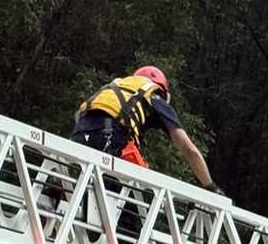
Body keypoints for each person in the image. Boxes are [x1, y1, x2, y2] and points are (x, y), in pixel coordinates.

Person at [71, 66, 225, 196]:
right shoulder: (153, 96)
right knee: (125, 208)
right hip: (109, 137)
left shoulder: (114, 88)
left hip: (78, 135)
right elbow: (188, 148)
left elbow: (79, 115)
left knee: (80, 192)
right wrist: (210, 186)